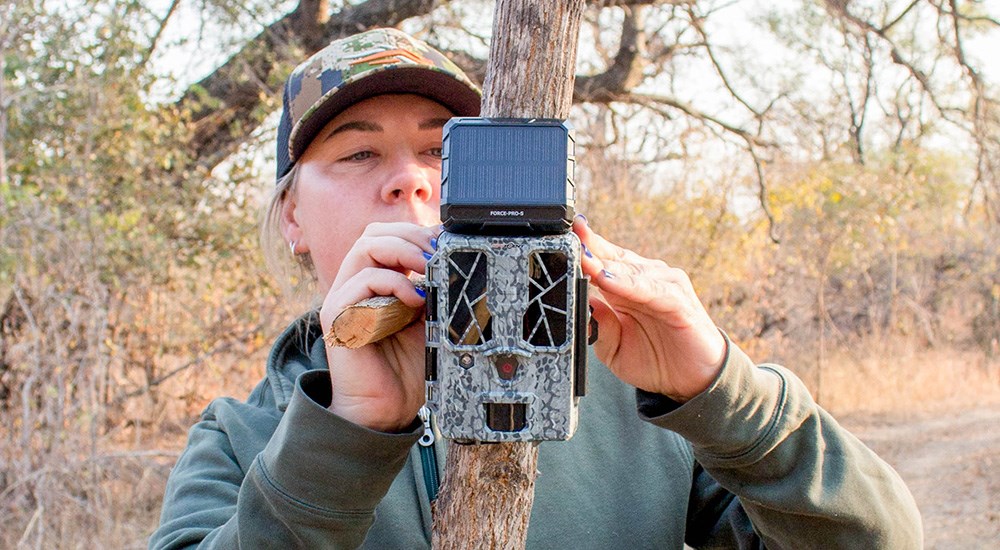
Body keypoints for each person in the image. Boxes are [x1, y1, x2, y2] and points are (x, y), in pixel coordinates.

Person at [150, 28, 922, 549]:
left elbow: (879, 538)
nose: (409, 182)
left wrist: (724, 392)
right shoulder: (243, 440)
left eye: (439, 150)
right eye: (358, 154)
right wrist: (345, 437)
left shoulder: (630, 389)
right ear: (291, 215)